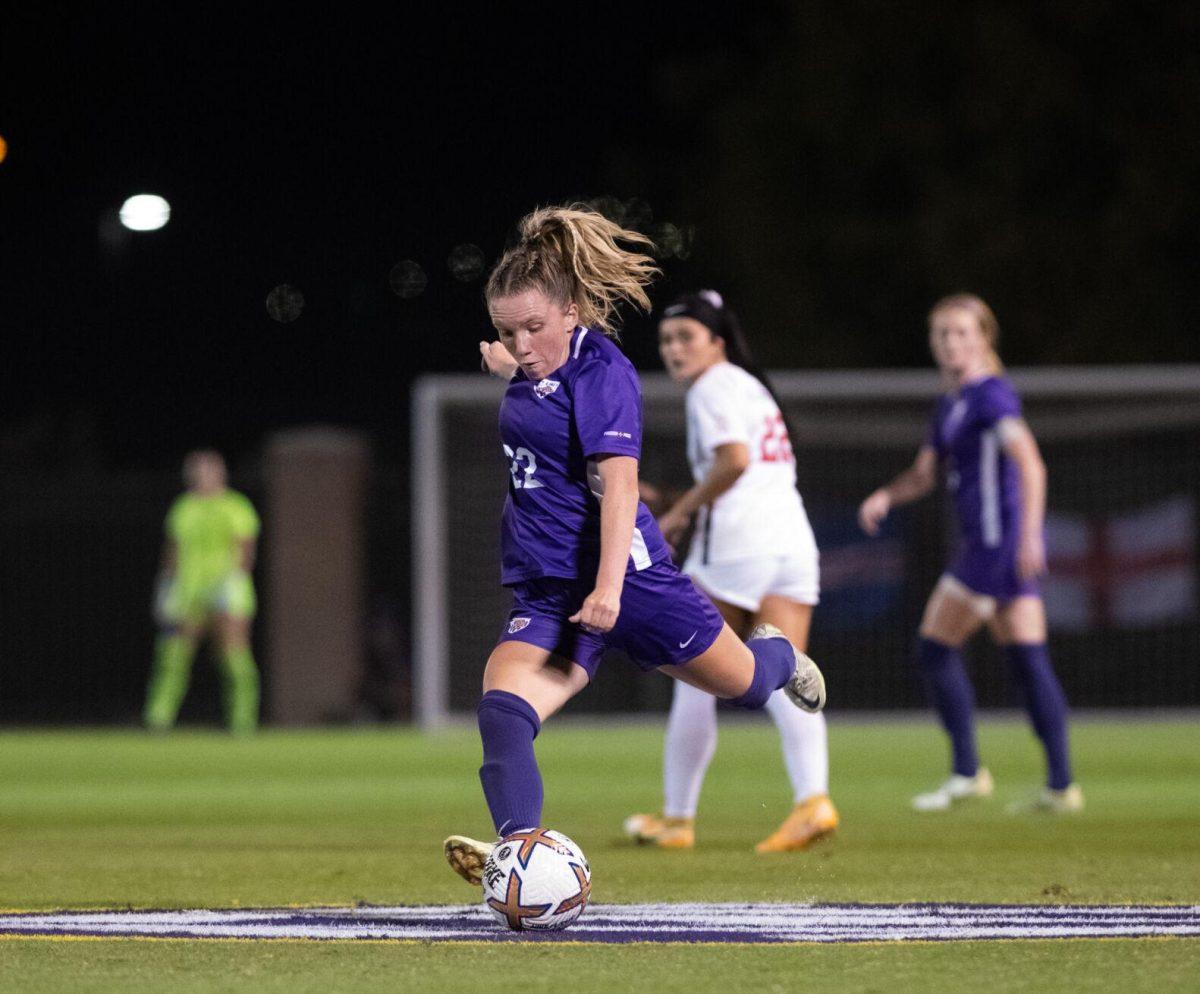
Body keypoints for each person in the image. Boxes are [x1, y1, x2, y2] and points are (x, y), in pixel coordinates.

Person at [443, 206, 827, 886]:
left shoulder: (605, 372)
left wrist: (610, 588)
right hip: (551, 589)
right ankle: (521, 858)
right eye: (508, 331)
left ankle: (777, 653)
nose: (523, 343)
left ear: (571, 311)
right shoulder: (533, 368)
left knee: (745, 687)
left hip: (633, 584)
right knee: (503, 712)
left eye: (535, 327)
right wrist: (513, 366)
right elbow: (544, 397)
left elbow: (619, 488)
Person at [623, 290, 838, 852]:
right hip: (791, 541)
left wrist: (679, 510)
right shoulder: (750, 386)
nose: (674, 349)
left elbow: (735, 460)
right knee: (787, 670)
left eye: (686, 337)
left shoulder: (712, 386)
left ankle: (678, 819)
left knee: (693, 676)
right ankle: (813, 800)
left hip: (739, 546)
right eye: (667, 340)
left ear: (716, 342)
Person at [858, 294, 1081, 813]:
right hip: (992, 547)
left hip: (994, 546)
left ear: (984, 338)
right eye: (941, 334)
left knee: (934, 648)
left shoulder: (990, 396)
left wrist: (1028, 535)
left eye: (961, 332)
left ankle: (966, 772)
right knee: (1027, 660)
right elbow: (923, 474)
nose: (950, 342)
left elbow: (1031, 464)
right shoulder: (950, 403)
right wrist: (887, 495)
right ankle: (1061, 785)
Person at [143, 449, 261, 735]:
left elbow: (246, 550)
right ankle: (158, 718)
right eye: (195, 472)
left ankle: (243, 720)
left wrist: (232, 582)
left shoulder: (237, 506)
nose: (200, 477)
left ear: (220, 474)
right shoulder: (184, 507)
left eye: (207, 471)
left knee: (233, 655)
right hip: (188, 592)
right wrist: (166, 586)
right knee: (174, 655)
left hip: (226, 591)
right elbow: (172, 551)